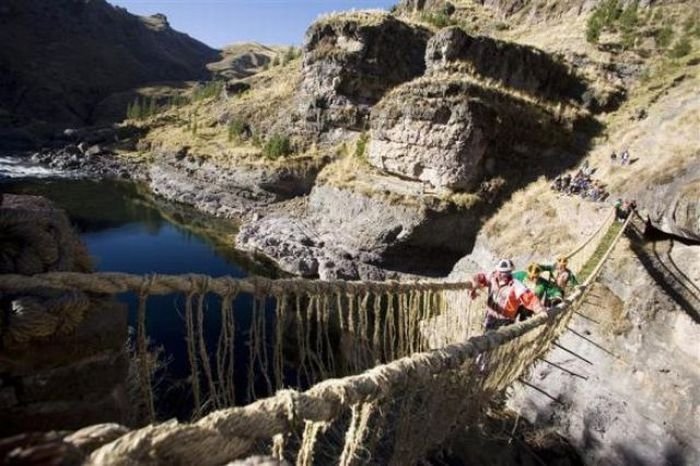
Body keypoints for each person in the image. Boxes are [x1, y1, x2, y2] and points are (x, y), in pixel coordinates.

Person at [470, 259, 546, 330]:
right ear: (497, 270)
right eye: (501, 272)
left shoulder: (516, 285)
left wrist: (540, 310)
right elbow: (480, 277)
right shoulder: (492, 277)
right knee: (487, 338)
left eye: (507, 272)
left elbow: (530, 298)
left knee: (497, 340)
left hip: (505, 321)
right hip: (490, 316)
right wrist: (474, 286)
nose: (503, 275)